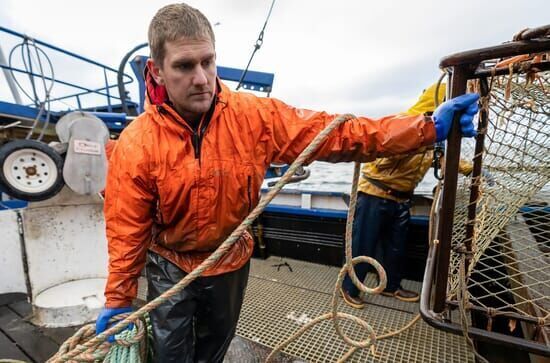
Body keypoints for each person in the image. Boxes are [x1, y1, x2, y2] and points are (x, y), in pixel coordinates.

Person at [95, 3, 479, 362]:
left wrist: (428, 127)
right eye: (183, 66)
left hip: (230, 260)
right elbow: (127, 227)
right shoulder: (136, 144)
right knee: (169, 352)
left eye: (208, 61)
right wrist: (118, 298)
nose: (201, 79)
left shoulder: (255, 118)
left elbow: (339, 134)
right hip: (171, 264)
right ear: (157, 70)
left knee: (215, 346)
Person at [340, 83, 476, 307]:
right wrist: (419, 138)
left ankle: (391, 287)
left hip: (402, 198)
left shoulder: (437, 136)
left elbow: (444, 160)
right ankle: (349, 288)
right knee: (363, 245)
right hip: (374, 194)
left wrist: (472, 169)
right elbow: (382, 161)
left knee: (397, 248)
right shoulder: (403, 124)